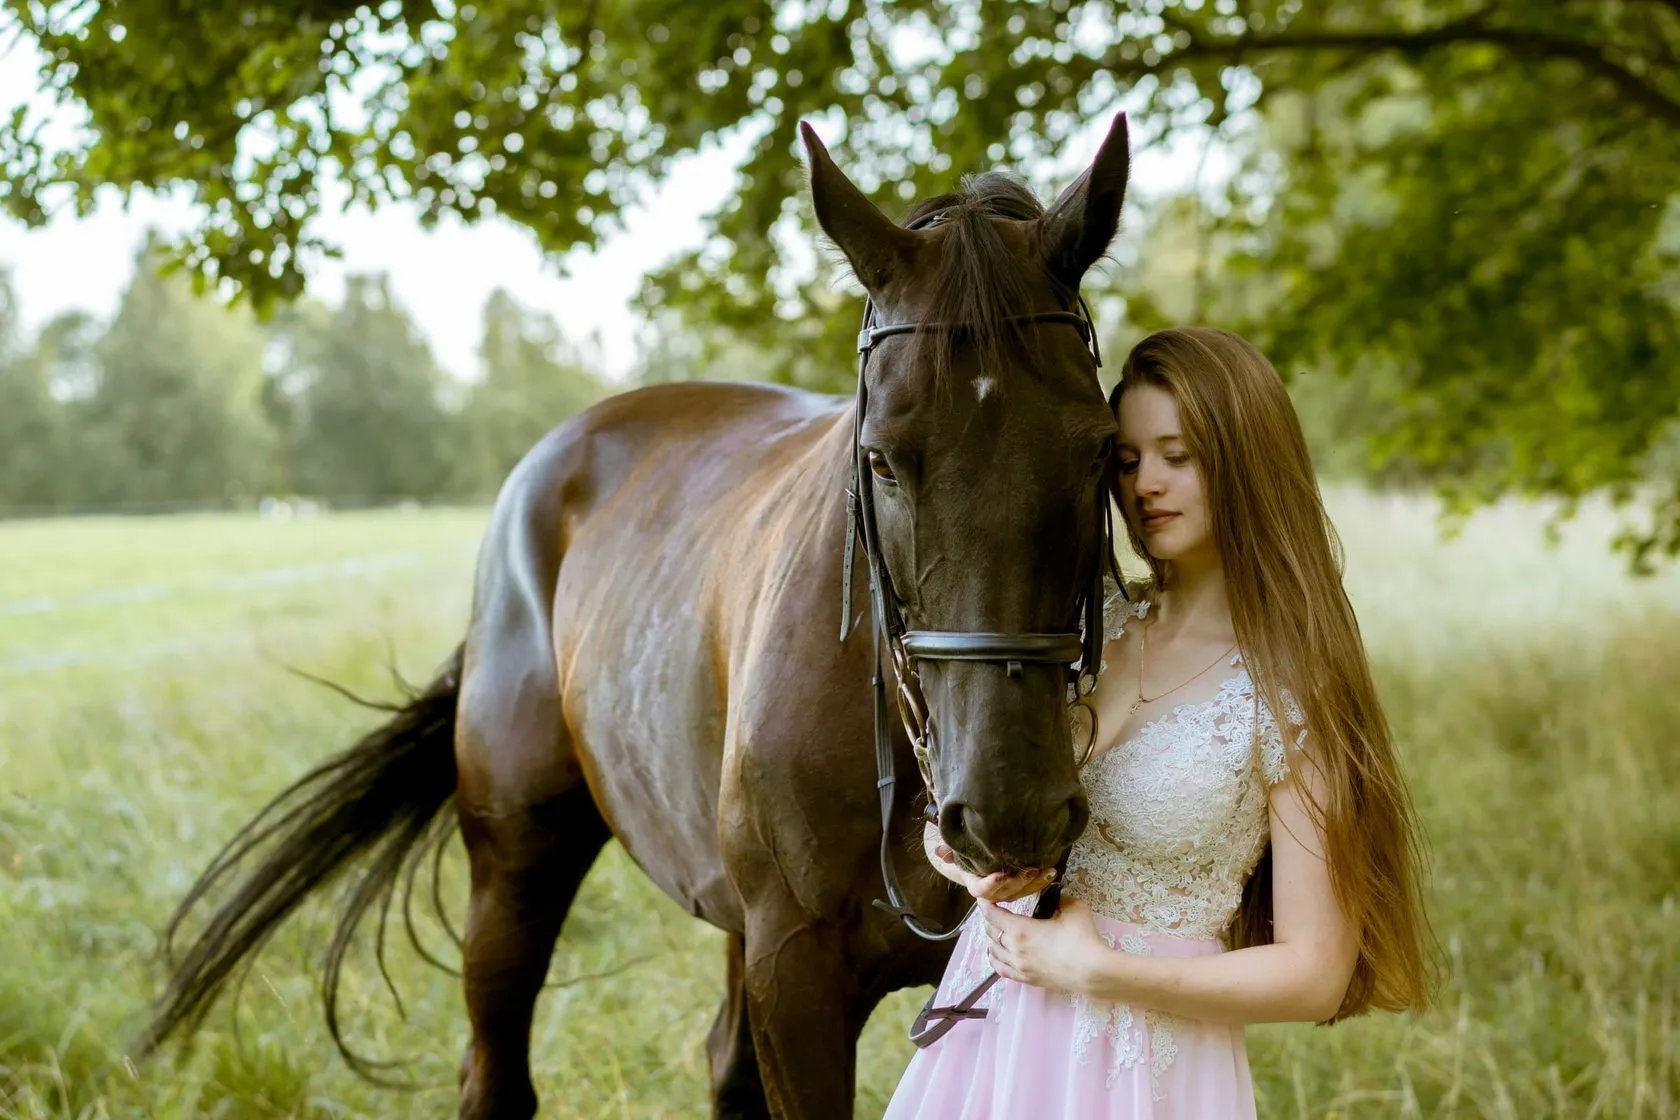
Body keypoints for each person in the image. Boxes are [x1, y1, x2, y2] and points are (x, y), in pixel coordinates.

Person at [884, 327, 1435, 1119]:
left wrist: (1100, 972)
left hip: (1150, 1066)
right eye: (1131, 459)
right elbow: (975, 788)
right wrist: (971, 862)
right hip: (996, 1038)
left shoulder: (1291, 687)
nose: (1147, 484)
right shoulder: (1083, 630)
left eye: (1179, 457)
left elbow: (1315, 972)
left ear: (1245, 461)